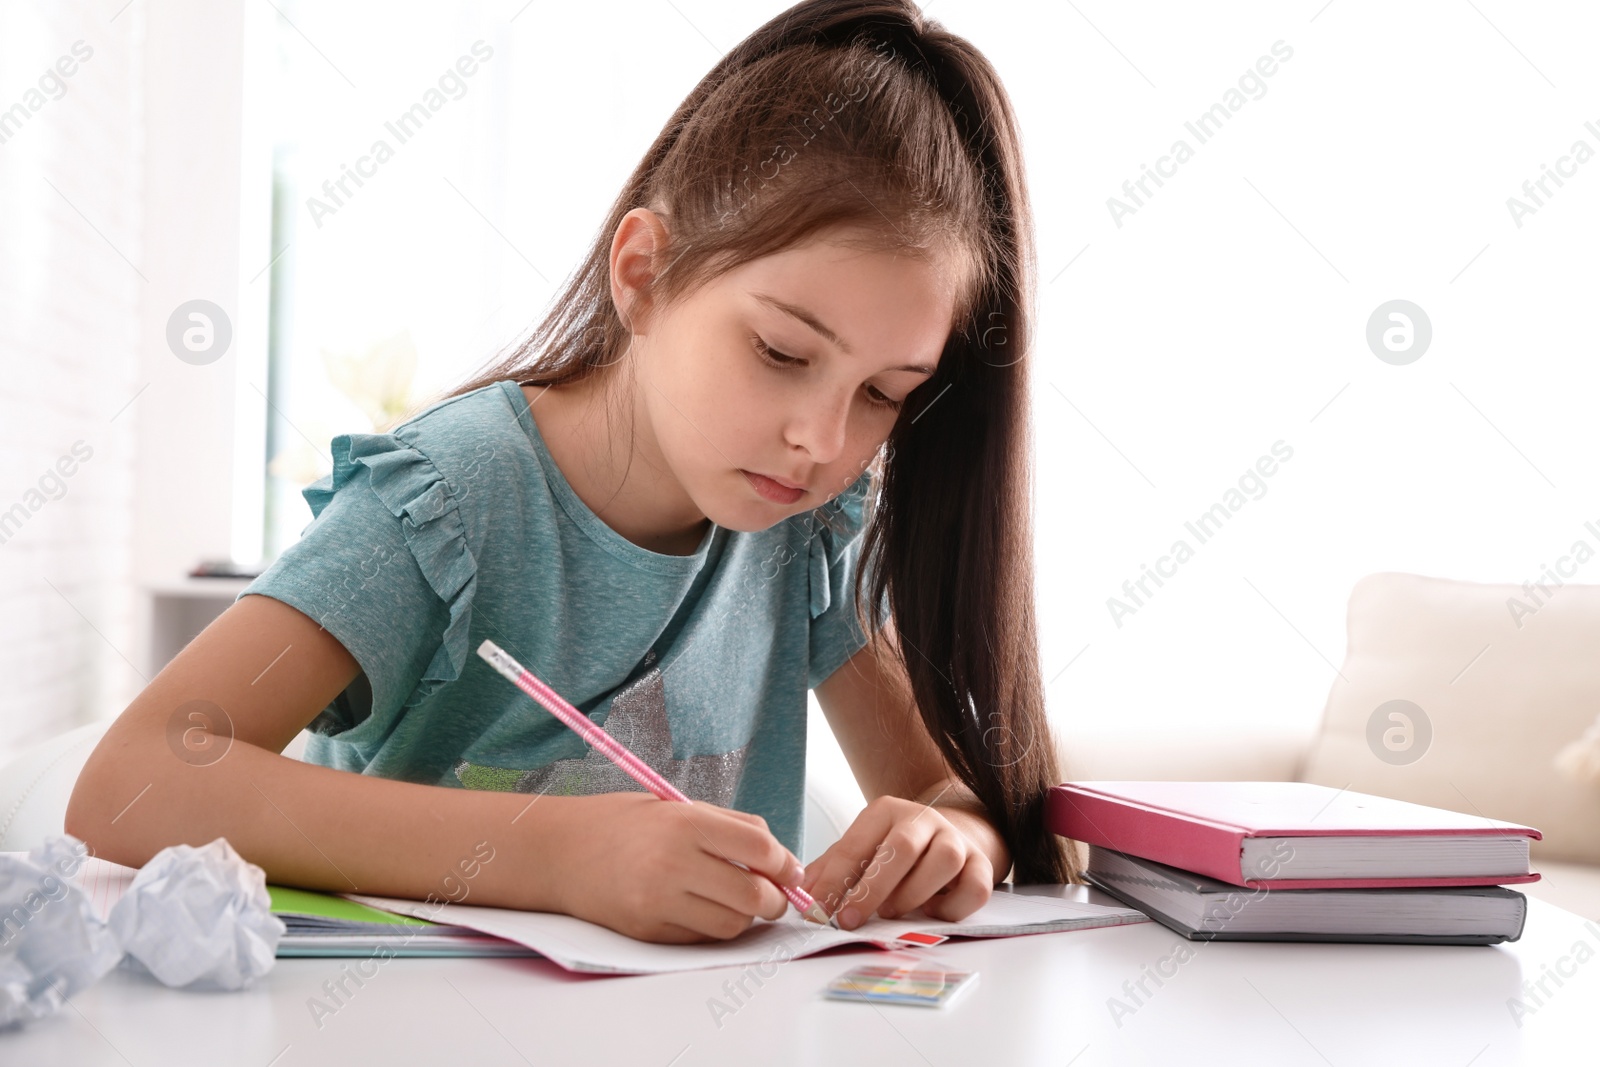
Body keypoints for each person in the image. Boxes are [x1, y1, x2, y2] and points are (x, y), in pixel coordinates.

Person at [67, 0, 1073, 945]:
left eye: (883, 393)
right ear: (642, 272)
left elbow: (943, 789)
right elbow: (136, 780)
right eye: (779, 352)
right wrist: (559, 855)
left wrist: (956, 837)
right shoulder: (447, 503)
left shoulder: (810, 531)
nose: (821, 439)